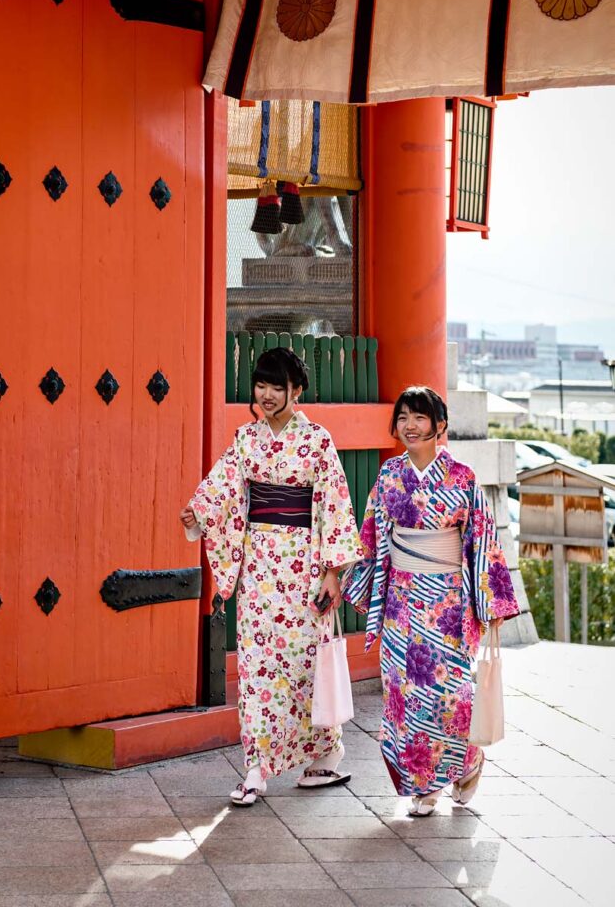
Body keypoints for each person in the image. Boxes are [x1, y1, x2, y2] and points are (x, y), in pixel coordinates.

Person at [180, 347, 363, 806]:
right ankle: (256, 766)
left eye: (276, 386)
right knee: (258, 667)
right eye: (260, 385)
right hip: (260, 565)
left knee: (305, 664)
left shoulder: (317, 441)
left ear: (296, 390)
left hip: (304, 564)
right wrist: (199, 512)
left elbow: (336, 506)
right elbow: (223, 484)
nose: (265, 394)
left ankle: (325, 751)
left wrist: (333, 572)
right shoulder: (246, 439)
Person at [342, 385, 519, 816]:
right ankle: (426, 784)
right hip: (401, 604)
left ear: (440, 425)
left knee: (450, 694)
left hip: (448, 606)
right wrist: (351, 581)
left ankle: (468, 762)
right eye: (403, 417)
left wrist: (490, 604)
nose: (410, 426)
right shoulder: (388, 476)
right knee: (406, 695)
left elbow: (482, 542)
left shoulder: (462, 478)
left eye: (420, 417)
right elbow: (372, 538)